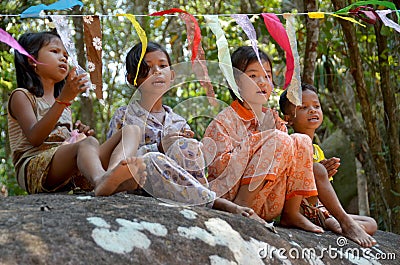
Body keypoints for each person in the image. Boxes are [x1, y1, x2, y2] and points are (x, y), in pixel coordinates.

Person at [107, 41, 263, 220]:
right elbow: (119, 164)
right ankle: (218, 203)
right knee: (152, 158)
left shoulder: (178, 121)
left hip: (179, 188)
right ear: (131, 78)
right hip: (142, 185)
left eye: (163, 66)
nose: (157, 71)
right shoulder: (124, 116)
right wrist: (159, 147)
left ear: (172, 75)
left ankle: (204, 202)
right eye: (146, 67)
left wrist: (189, 146)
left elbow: (192, 164)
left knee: (187, 145)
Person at [8, 31, 147, 196]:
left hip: (65, 169)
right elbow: (35, 137)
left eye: (66, 54)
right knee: (89, 143)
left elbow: (62, 143)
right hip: (35, 167)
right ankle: (101, 180)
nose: (63, 58)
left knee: (132, 130)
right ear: (32, 61)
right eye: (55, 51)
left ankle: (114, 174)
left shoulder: (63, 105)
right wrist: (63, 100)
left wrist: (76, 135)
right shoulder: (21, 96)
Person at [203, 46, 323, 233]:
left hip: (267, 202)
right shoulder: (224, 121)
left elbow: (290, 167)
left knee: (301, 140)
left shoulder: (274, 120)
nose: (262, 82)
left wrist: (269, 134)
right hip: (232, 199)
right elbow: (218, 169)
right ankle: (244, 205)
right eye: (253, 76)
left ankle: (292, 214)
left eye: (267, 76)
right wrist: (260, 141)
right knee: (280, 139)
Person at [279, 83, 377, 247]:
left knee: (371, 223)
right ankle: (343, 223)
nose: (312, 110)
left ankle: (336, 222)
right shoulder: (290, 142)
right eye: (303, 107)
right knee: (318, 169)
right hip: (300, 207)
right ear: (288, 118)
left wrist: (324, 174)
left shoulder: (317, 150)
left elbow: (318, 192)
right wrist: (315, 171)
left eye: (316, 106)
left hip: (319, 208)